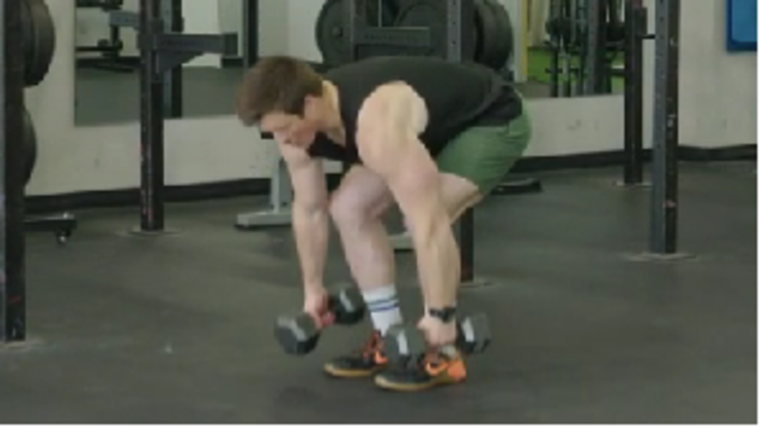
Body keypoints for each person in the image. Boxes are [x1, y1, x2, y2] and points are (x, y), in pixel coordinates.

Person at [236, 55, 532, 392]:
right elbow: (310, 209)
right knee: (348, 208)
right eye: (273, 132)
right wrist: (313, 289)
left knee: (423, 212)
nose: (283, 139)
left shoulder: (377, 128)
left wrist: (441, 316)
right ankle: (388, 337)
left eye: (285, 128)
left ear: (310, 103)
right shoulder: (296, 135)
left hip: (488, 120)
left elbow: (430, 225)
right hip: (425, 128)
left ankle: (444, 349)